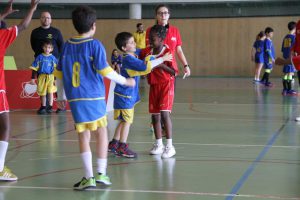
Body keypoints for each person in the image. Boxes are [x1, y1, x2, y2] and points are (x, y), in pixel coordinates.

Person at [55, 5, 135, 190]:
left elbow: (58, 73)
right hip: (94, 96)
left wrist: (61, 95)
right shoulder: (94, 44)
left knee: (83, 135)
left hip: (76, 99)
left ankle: (88, 177)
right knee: (101, 132)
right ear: (93, 25)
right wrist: (124, 81)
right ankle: (101, 173)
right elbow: (105, 70)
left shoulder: (67, 45)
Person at [108, 31, 172, 158]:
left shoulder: (131, 55)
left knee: (122, 120)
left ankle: (114, 143)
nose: (134, 44)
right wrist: (162, 59)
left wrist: (153, 45)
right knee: (127, 121)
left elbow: (143, 52)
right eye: (131, 43)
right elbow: (144, 67)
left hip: (122, 95)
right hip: (125, 95)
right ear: (124, 48)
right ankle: (122, 146)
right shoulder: (129, 59)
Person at [0, 0, 40, 181]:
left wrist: (3, 15)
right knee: (5, 127)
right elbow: (23, 25)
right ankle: (0, 168)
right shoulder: (2, 36)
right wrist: (32, 8)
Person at [139, 25, 177, 159]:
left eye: (153, 39)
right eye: (149, 38)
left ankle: (170, 146)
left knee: (164, 114)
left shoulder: (168, 52)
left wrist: (159, 64)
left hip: (166, 85)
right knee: (155, 116)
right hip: (153, 86)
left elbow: (174, 72)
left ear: (161, 39)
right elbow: (142, 65)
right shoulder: (147, 53)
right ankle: (158, 144)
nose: (150, 41)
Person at [30, 11, 66, 113]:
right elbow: (33, 46)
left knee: (57, 86)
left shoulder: (56, 32)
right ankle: (44, 107)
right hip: (41, 63)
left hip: (54, 64)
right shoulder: (35, 32)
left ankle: (61, 107)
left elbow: (61, 46)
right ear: (40, 19)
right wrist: (41, 56)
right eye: (44, 17)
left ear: (51, 19)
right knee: (43, 86)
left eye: (48, 18)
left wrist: (56, 59)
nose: (46, 19)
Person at [145, 4, 191, 78]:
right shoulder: (150, 30)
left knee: (170, 89)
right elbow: (148, 49)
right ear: (156, 16)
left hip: (170, 69)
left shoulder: (175, 30)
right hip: (156, 68)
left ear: (169, 15)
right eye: (160, 13)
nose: (163, 15)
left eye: (165, 13)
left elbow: (179, 51)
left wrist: (186, 65)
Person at [29, 40, 57, 114]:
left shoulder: (53, 58)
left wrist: (55, 79)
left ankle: (50, 107)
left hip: (51, 77)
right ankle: (43, 107)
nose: (47, 49)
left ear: (52, 49)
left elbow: (56, 69)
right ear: (43, 48)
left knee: (50, 92)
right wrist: (32, 79)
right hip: (42, 77)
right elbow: (34, 68)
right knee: (42, 93)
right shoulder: (39, 57)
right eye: (46, 47)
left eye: (49, 47)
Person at [281, 21, 296, 96]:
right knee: (290, 74)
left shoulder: (285, 37)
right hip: (291, 58)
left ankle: (285, 89)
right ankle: (289, 90)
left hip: (285, 57)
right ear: (295, 28)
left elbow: (283, 49)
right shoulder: (294, 37)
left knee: (286, 74)